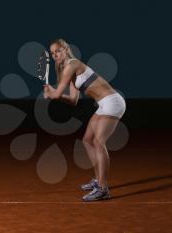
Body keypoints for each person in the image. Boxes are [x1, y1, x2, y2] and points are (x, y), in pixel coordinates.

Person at [43, 38, 126, 201]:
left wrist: (52, 93)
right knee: (88, 140)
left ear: (66, 49)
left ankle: (103, 189)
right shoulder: (70, 72)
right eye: (52, 53)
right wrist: (53, 94)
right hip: (103, 104)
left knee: (98, 142)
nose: (55, 55)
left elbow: (57, 94)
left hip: (113, 102)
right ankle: (98, 180)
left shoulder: (72, 65)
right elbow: (73, 100)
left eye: (58, 50)